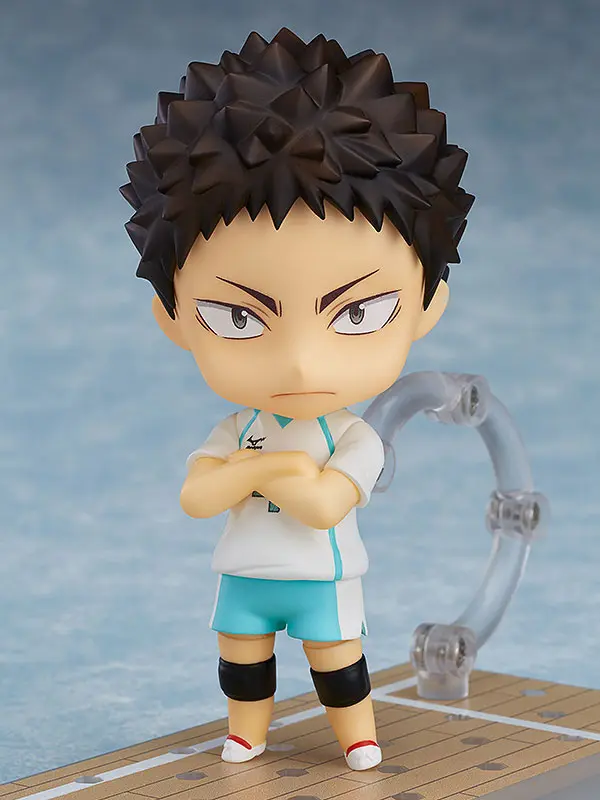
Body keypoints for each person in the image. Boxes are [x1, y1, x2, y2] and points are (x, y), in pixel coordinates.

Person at [120, 26, 474, 771]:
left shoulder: (354, 437)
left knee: (337, 663)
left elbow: (322, 506)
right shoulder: (238, 423)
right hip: (245, 574)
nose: (301, 360)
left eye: (358, 313)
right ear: (174, 319)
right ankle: (246, 732)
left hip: (321, 578)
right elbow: (196, 496)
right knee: (241, 660)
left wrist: (252, 474)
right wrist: (272, 470)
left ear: (426, 306)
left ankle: (358, 736)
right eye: (239, 318)